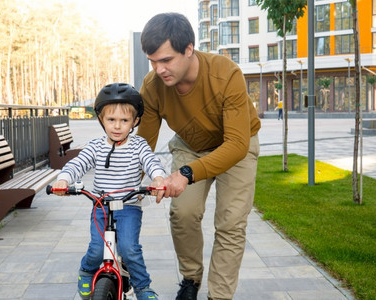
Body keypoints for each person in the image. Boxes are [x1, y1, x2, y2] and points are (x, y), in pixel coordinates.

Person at [138, 13, 261, 300]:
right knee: (182, 213)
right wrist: (126, 188)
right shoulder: (153, 86)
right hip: (190, 143)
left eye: (166, 60)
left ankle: (219, 296)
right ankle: (191, 278)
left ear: (189, 49)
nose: (158, 69)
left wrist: (185, 174)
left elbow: (236, 144)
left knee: (230, 223)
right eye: (153, 61)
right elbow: (143, 144)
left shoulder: (226, 74)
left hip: (236, 145)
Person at [52, 83, 166, 300]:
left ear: (135, 121)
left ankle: (143, 287)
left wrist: (158, 178)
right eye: (111, 120)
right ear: (101, 120)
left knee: (130, 249)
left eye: (124, 120)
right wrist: (63, 180)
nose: (117, 126)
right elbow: (78, 164)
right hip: (100, 207)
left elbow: (151, 162)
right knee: (96, 249)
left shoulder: (139, 145)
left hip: (129, 207)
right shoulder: (95, 146)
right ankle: (87, 271)